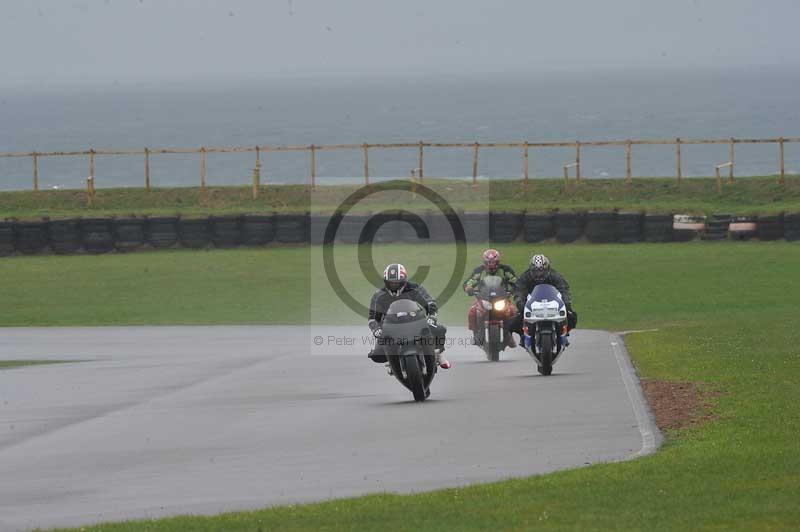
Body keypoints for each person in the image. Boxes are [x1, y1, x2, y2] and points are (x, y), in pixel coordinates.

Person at [367, 263, 451, 369]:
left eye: (396, 282)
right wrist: (376, 329)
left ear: (404, 281)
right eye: (391, 282)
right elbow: (372, 317)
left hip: (415, 321)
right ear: (386, 282)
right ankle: (393, 361)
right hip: (390, 326)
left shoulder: (414, 288)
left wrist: (432, 317)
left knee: (440, 329)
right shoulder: (379, 295)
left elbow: (430, 302)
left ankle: (439, 353)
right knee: (377, 355)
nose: (393, 285)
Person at [507, 254, 578, 337]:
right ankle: (523, 335)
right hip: (531, 304)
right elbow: (519, 289)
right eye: (536, 271)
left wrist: (566, 302)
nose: (539, 274)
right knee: (513, 321)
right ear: (531, 270)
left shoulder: (554, 275)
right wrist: (520, 302)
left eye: (541, 271)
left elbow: (564, 288)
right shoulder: (525, 277)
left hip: (552, 303)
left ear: (547, 269)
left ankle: (564, 332)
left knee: (571, 316)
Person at [463, 249, 518, 347]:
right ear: (484, 262)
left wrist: (515, 288)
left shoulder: (505, 270)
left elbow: (516, 281)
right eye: (488, 263)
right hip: (483, 298)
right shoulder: (479, 271)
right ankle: (476, 334)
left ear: (498, 262)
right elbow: (470, 281)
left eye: (494, 262)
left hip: (502, 298)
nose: (491, 265)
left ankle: (509, 334)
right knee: (472, 311)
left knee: (513, 311)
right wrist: (468, 288)